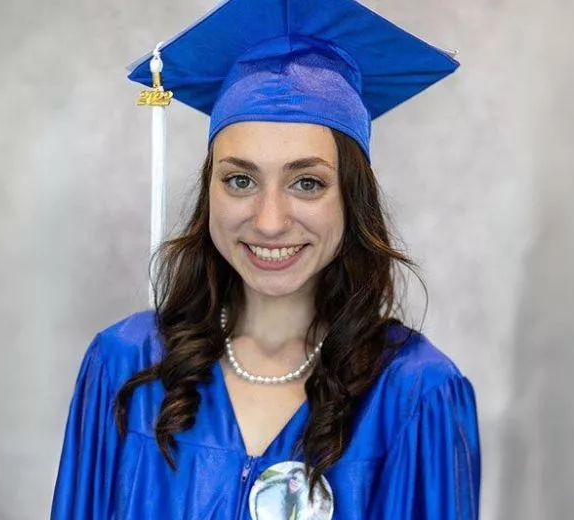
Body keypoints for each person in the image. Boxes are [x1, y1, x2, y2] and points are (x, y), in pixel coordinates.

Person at [51, 0, 481, 519]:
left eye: (307, 183)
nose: (270, 220)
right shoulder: (126, 367)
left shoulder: (416, 397)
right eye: (240, 180)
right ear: (209, 193)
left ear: (351, 198)